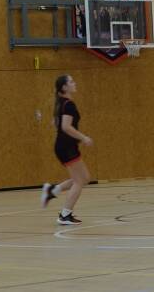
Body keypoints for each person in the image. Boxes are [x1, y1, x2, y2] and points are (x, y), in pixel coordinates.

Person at [40, 75, 94, 225]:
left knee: (85, 178)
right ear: (64, 87)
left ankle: (52, 191)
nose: (74, 83)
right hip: (66, 147)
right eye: (71, 81)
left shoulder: (61, 104)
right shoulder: (68, 105)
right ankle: (65, 215)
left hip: (66, 146)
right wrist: (83, 138)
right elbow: (65, 127)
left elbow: (55, 123)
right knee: (79, 181)